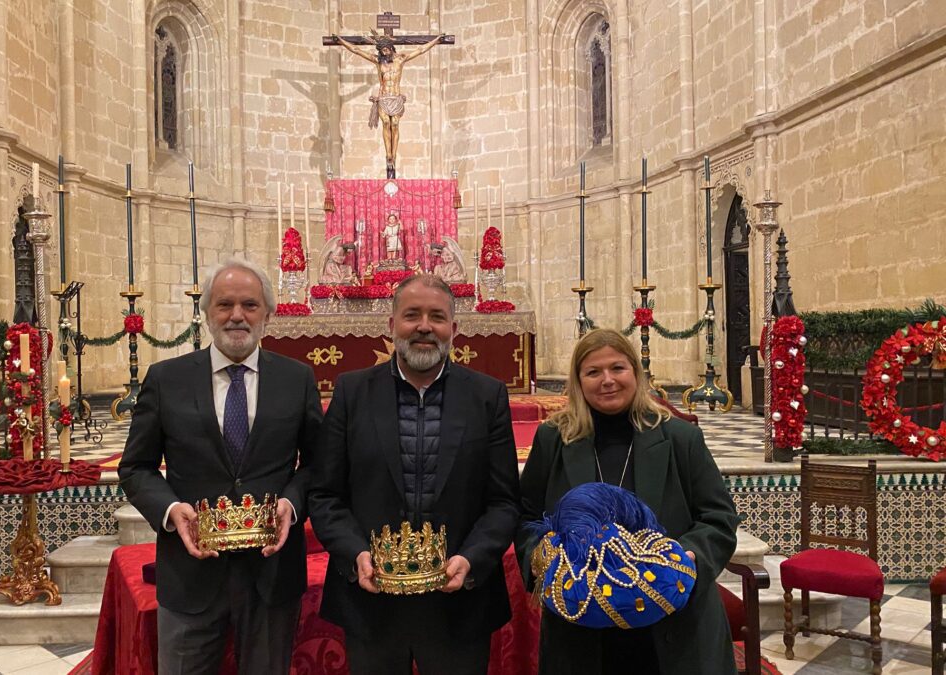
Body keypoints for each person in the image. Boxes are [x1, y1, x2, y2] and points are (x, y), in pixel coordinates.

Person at [118, 259, 323, 675]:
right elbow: (135, 468)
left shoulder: (297, 379)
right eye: (224, 304)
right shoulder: (166, 379)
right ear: (208, 313)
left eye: (249, 304)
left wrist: (293, 503)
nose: (236, 315)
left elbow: (319, 464)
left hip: (272, 571)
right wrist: (172, 512)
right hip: (190, 571)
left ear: (268, 313)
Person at [309, 274, 520, 675]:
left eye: (437, 316)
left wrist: (471, 560)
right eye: (412, 315)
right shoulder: (352, 392)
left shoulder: (487, 396)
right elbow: (325, 495)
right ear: (391, 326)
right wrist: (356, 555)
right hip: (371, 602)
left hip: (458, 604)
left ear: (454, 330)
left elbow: (504, 501)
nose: (424, 326)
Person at [515, 328, 739, 675]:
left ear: (635, 372)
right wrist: (542, 555)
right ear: (577, 381)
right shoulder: (554, 439)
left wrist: (689, 557)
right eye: (593, 372)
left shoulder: (681, 438)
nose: (607, 380)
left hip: (673, 623)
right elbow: (526, 515)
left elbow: (718, 517)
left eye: (617, 368)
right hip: (582, 625)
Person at [334, 33, 445, 178]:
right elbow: (356, 50)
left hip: (396, 98)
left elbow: (421, 49)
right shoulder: (378, 62)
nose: (383, 53)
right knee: (386, 123)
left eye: (385, 49)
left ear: (390, 47)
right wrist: (341, 41)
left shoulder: (401, 59)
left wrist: (436, 40)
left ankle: (394, 154)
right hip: (384, 98)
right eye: (381, 51)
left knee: (395, 125)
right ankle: (389, 155)